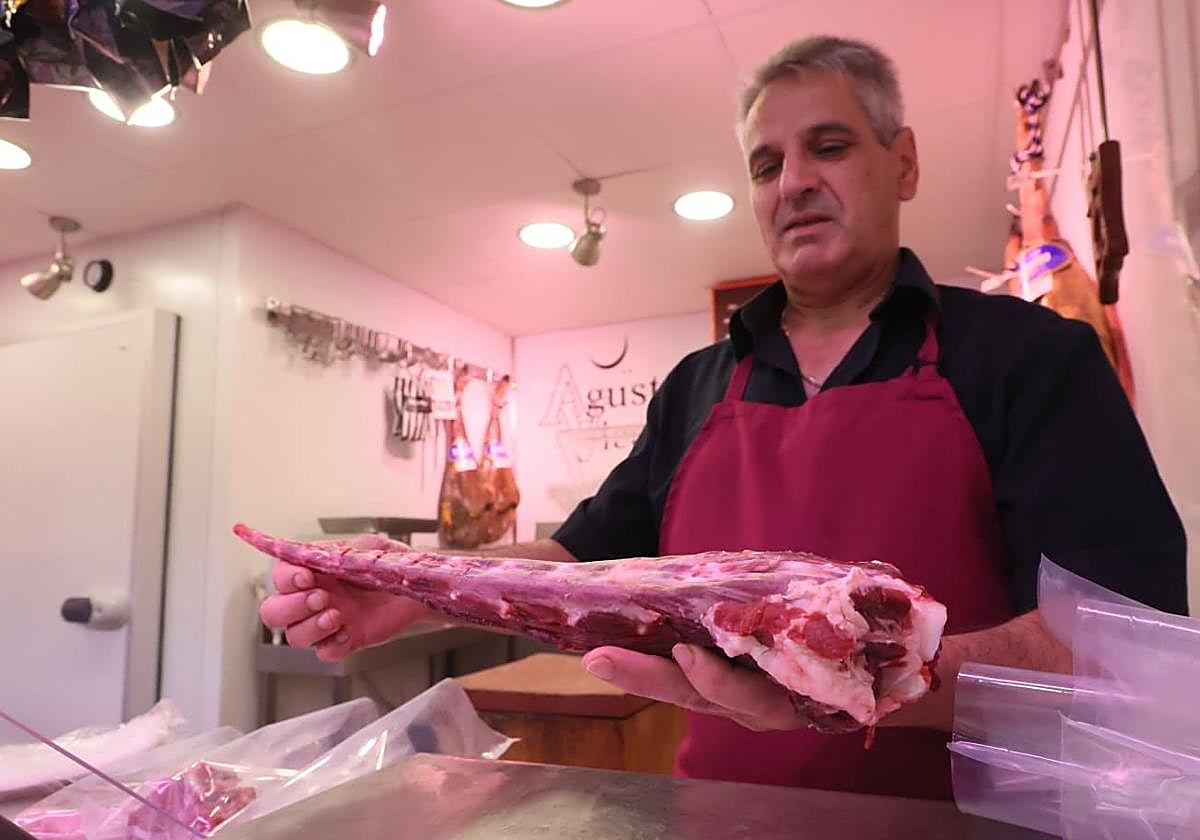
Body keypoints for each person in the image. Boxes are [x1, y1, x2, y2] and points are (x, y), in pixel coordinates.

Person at [259, 36, 1187, 799]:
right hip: (715, 816)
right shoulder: (698, 386)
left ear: (902, 164)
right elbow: (582, 566)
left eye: (829, 146)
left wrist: (844, 681)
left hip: (951, 827)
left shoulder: (1027, 354)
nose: (792, 183)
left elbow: (1118, 647)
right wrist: (414, 589)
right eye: (766, 163)